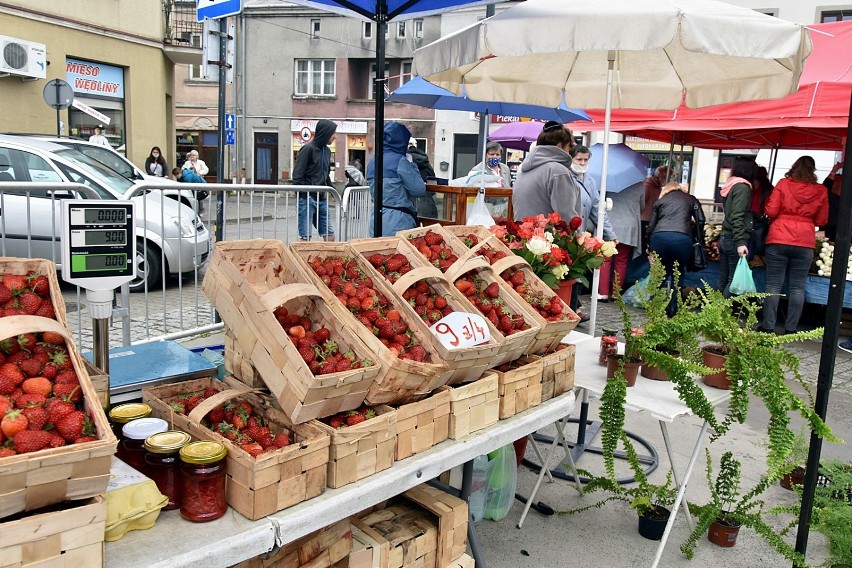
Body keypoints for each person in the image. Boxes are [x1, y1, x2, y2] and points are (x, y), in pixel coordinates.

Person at [758, 156, 828, 334]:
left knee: (773, 285)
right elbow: (822, 219)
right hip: (804, 241)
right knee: (798, 287)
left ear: (794, 167)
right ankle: (791, 329)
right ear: (813, 170)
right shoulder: (821, 190)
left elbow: (771, 210)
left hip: (779, 238)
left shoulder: (783, 184)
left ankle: (768, 326)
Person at [568, 145, 617, 319]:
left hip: (582, 234)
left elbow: (597, 208)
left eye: (585, 160)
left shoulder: (590, 180)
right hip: (567, 232)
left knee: (578, 272)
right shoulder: (566, 177)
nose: (582, 163)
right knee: (569, 272)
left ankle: (575, 308)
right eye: (578, 159)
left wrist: (610, 234)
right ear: (571, 158)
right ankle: (572, 309)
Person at [648, 182, 705, 316]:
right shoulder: (691, 199)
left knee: (660, 274)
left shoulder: (660, 201)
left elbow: (651, 227)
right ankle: (673, 307)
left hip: (659, 237)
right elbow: (701, 220)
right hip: (682, 238)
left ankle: (655, 306)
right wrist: (696, 237)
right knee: (677, 273)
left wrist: (649, 246)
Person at [366, 122, 426, 237]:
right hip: (399, 220)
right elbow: (419, 190)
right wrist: (412, 165)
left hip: (377, 219)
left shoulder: (373, 161)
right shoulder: (401, 161)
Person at [512, 120, 579, 222]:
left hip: (524, 234)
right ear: (560, 146)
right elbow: (566, 216)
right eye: (569, 147)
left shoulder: (524, 169)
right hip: (548, 236)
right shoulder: (557, 171)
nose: (570, 152)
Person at [718, 157, 757, 297]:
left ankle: (713, 312)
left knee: (723, 278)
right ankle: (720, 312)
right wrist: (741, 242)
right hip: (734, 238)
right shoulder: (742, 187)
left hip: (725, 236)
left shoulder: (731, 185)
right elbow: (737, 215)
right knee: (733, 280)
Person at [293, 119, 337, 241]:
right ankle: (299, 260)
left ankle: (326, 259)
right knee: (305, 238)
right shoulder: (308, 149)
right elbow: (297, 176)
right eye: (333, 133)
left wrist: (334, 191)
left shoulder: (327, 151)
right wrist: (304, 193)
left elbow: (326, 175)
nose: (335, 136)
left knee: (330, 237)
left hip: (321, 199)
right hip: (307, 199)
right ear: (326, 133)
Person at [600, 181, 644, 300]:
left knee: (605, 259)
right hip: (628, 226)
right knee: (622, 261)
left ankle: (603, 293)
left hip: (609, 223)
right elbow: (642, 206)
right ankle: (616, 293)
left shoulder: (607, 182)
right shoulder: (639, 185)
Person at [640, 165, 669, 252]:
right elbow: (642, 201)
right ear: (661, 178)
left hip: (651, 217)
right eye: (666, 178)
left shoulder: (657, 187)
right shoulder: (648, 186)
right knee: (645, 242)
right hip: (645, 218)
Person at [407, 138, 438, 219]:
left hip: (409, 204)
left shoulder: (403, 161)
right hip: (427, 203)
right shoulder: (425, 162)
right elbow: (433, 182)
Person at [749, 166, 774, 259]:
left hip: (759, 223)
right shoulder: (752, 189)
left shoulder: (768, 191)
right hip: (753, 222)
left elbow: (769, 210)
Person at [822, 159, 844, 242]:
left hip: (845, 228)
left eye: (840, 180)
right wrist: (835, 169)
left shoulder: (847, 199)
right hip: (829, 227)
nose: (838, 182)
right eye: (836, 180)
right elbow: (826, 184)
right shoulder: (827, 195)